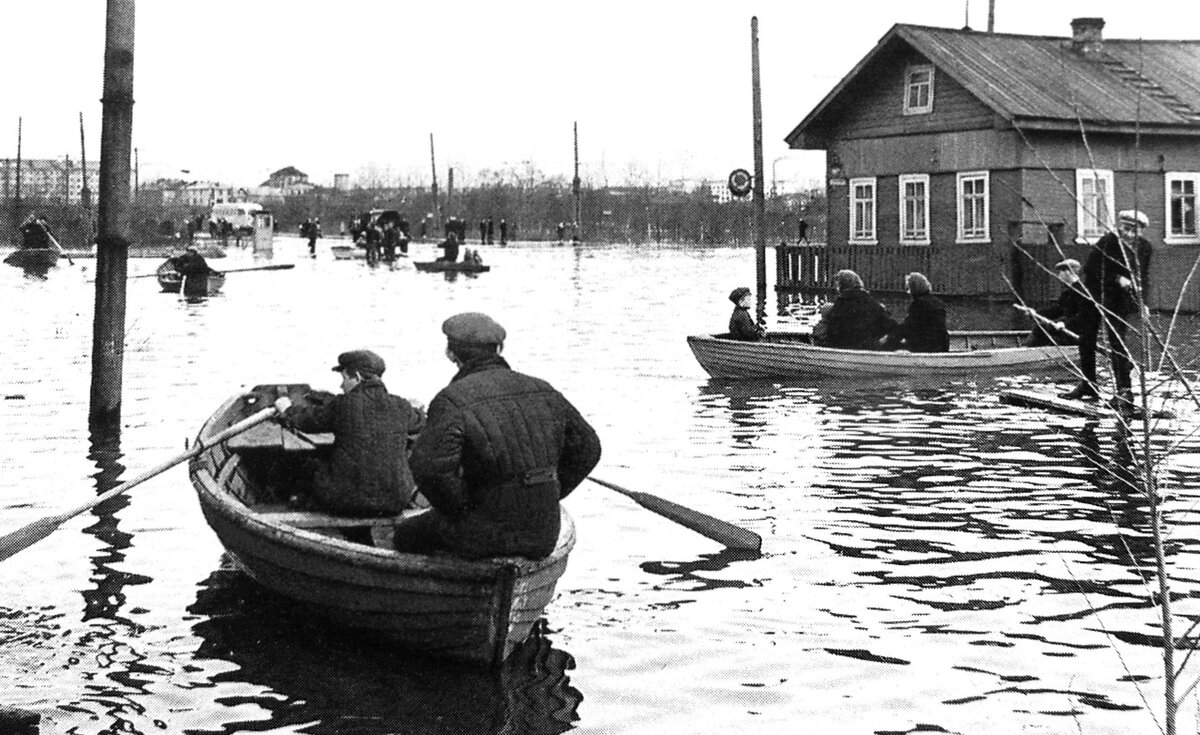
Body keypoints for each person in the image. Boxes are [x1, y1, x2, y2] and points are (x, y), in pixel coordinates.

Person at [394, 313, 602, 559]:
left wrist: (461, 508)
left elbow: (429, 469)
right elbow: (588, 449)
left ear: (450, 354)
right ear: (500, 349)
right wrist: (550, 492)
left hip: (481, 533)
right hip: (542, 533)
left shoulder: (452, 399)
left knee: (404, 534)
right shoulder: (544, 390)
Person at [273, 350, 426, 519]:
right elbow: (420, 422)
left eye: (344, 378)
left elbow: (305, 422)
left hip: (346, 501)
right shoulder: (401, 406)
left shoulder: (341, 405)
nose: (341, 385)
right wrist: (416, 409)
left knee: (307, 465)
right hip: (395, 501)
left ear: (358, 377)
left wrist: (286, 408)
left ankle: (300, 501)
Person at [1061, 209, 1154, 404]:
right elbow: (1090, 268)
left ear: (1141, 232)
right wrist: (1117, 278)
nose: (1128, 233)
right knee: (1086, 340)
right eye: (1125, 228)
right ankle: (1088, 384)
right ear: (1119, 226)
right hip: (1094, 296)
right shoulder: (1107, 241)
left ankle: (1124, 390)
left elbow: (1142, 277)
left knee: (1116, 342)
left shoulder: (1145, 248)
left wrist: (1143, 303)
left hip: (1118, 301)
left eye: (1133, 230)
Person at [811, 269, 896, 349]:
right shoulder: (871, 301)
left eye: (837, 285)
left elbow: (833, 330)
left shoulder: (841, 303)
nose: (836, 289)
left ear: (841, 286)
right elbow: (887, 325)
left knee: (825, 317)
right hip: (868, 345)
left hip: (844, 346)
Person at [1018, 259, 1092, 347]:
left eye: (1061, 271)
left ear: (1068, 272)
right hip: (1064, 328)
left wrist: (1065, 324)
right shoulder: (1068, 292)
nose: (1059, 275)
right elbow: (1057, 309)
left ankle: (1026, 351)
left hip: (1076, 333)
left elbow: (1084, 316)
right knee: (1041, 327)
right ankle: (1026, 350)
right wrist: (1035, 313)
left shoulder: (1082, 291)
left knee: (1042, 328)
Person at [883, 272, 949, 353]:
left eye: (908, 289)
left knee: (892, 345)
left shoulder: (919, 304)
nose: (908, 292)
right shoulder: (938, 302)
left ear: (913, 288)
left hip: (925, 347)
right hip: (942, 346)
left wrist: (891, 339)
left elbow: (908, 327)